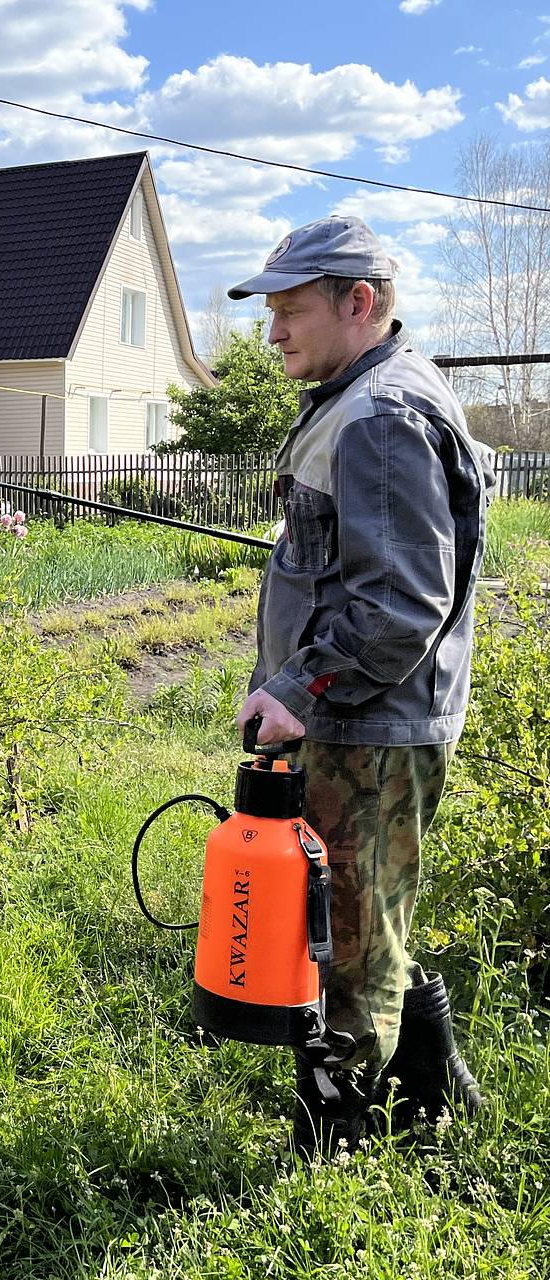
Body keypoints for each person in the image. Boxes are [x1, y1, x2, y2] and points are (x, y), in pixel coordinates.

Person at [227, 215, 495, 1154]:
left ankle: (341, 1140)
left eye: (290, 310)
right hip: (360, 718)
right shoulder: (359, 398)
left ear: (360, 303)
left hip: (371, 725)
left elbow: (400, 605)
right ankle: (436, 1089)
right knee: (365, 915)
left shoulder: (380, 417)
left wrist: (299, 688)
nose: (274, 333)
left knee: (344, 941)